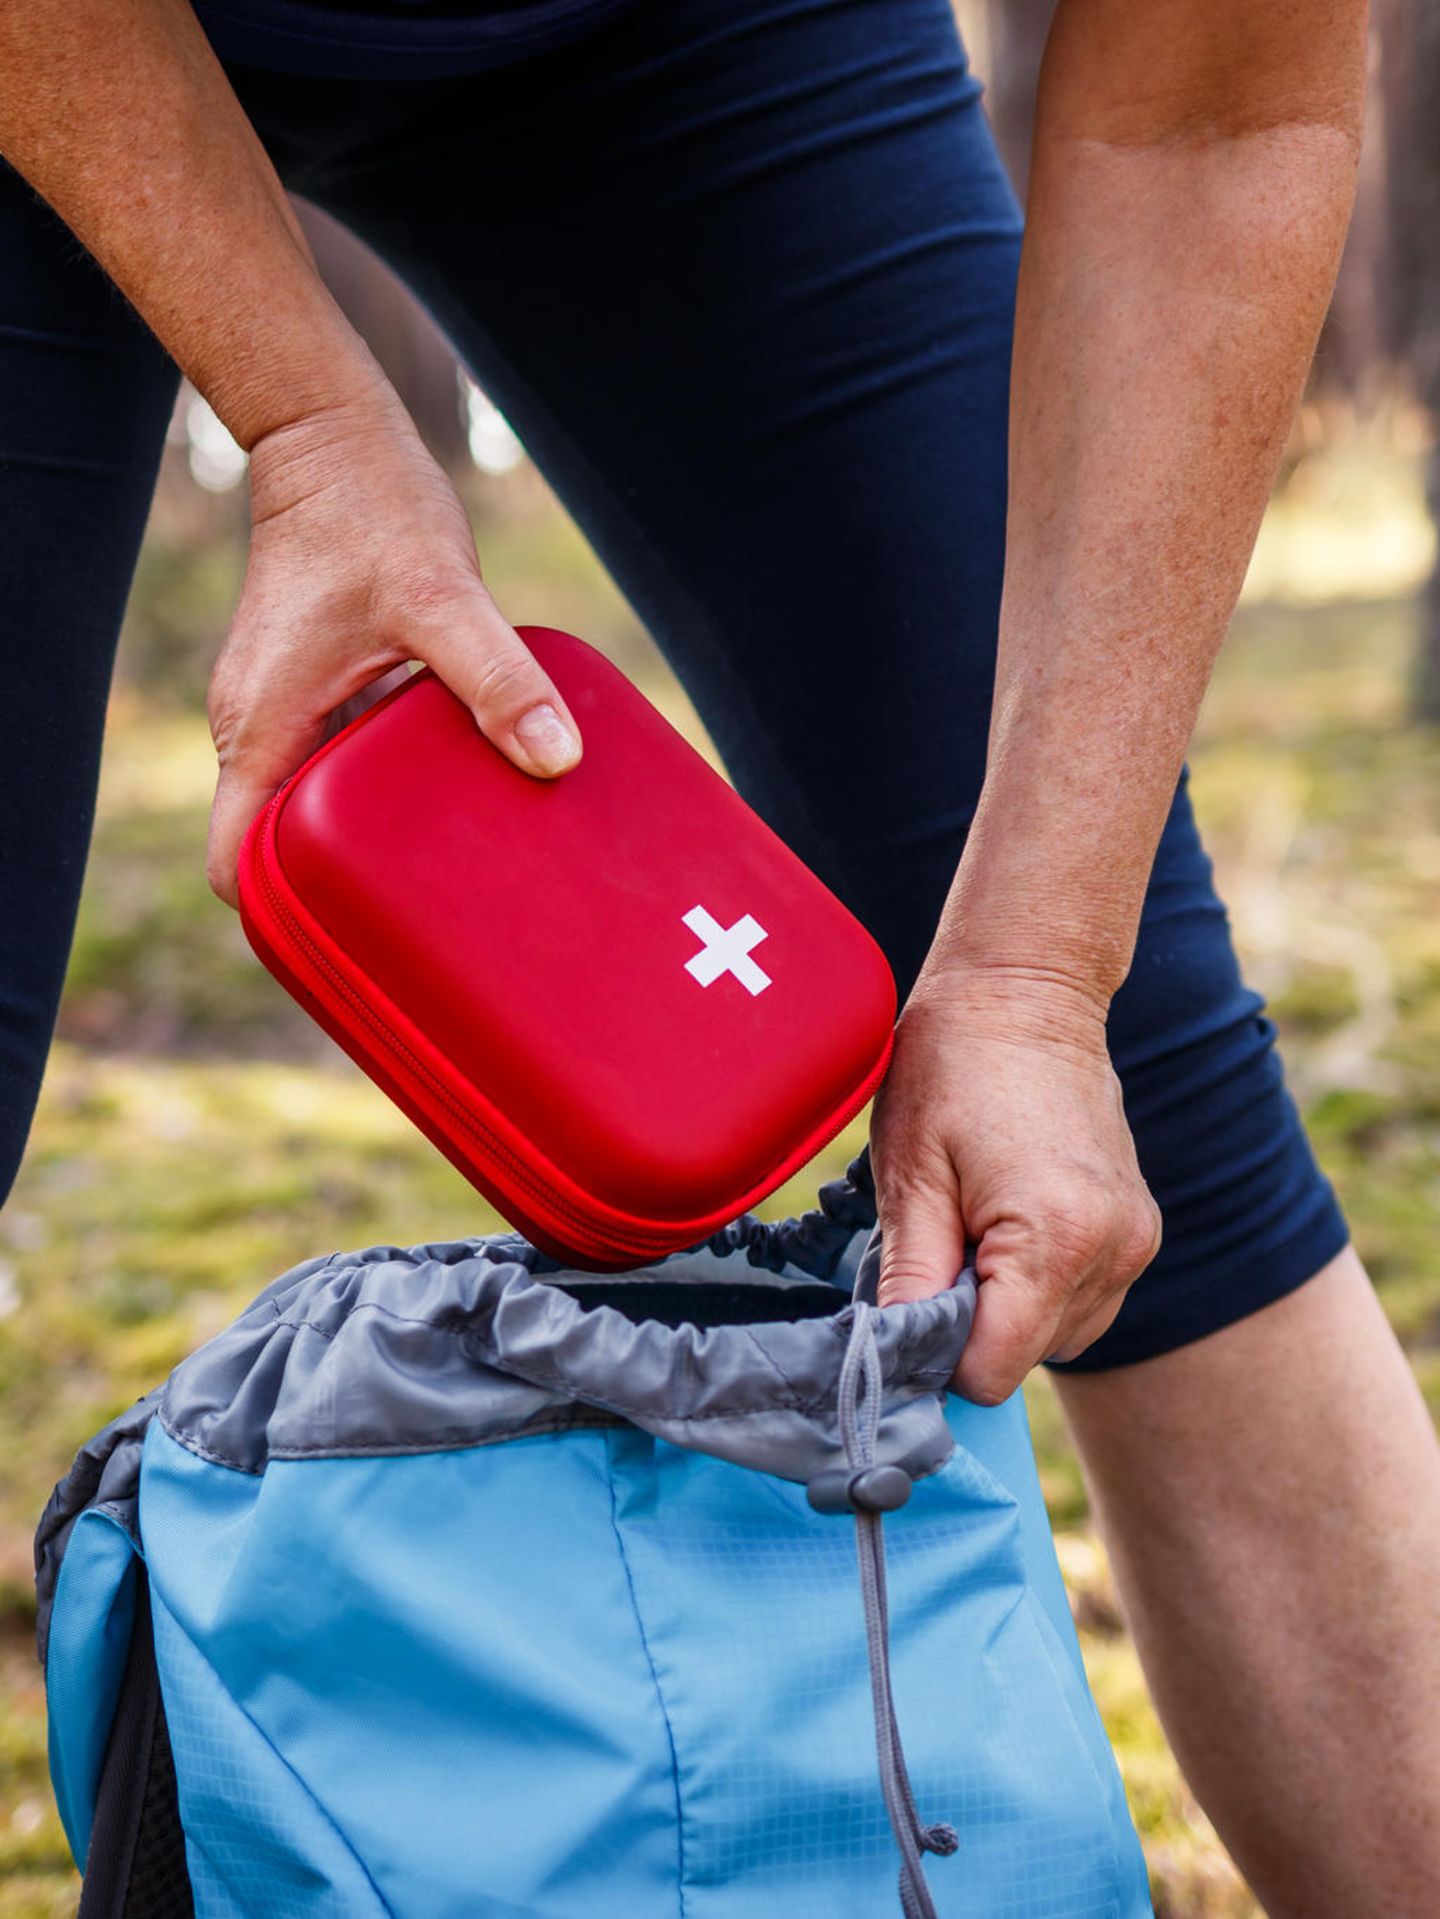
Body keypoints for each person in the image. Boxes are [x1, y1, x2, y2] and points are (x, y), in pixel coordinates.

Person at [2, 0, 1436, 1909]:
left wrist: (1035, 972)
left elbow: (1209, 123)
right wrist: (304, 413)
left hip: (679, 43)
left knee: (1138, 1129)